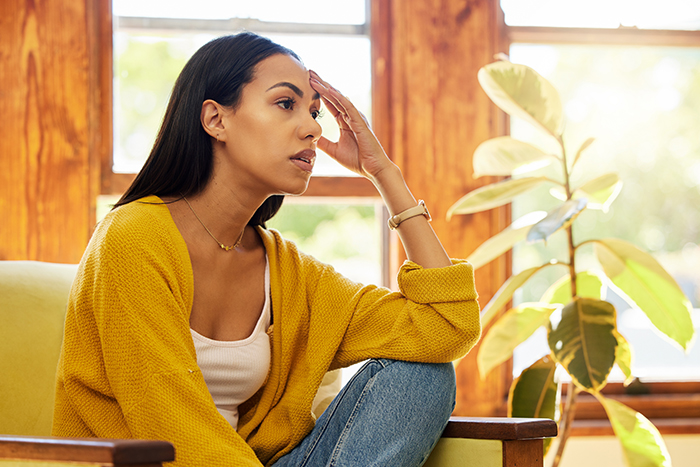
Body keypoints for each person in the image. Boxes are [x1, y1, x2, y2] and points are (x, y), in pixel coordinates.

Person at [52, 32, 481, 466]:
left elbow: (448, 326)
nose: (313, 127)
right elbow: (169, 422)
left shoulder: (288, 272)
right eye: (285, 104)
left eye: (314, 112)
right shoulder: (132, 238)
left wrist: (384, 173)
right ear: (215, 119)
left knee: (424, 376)